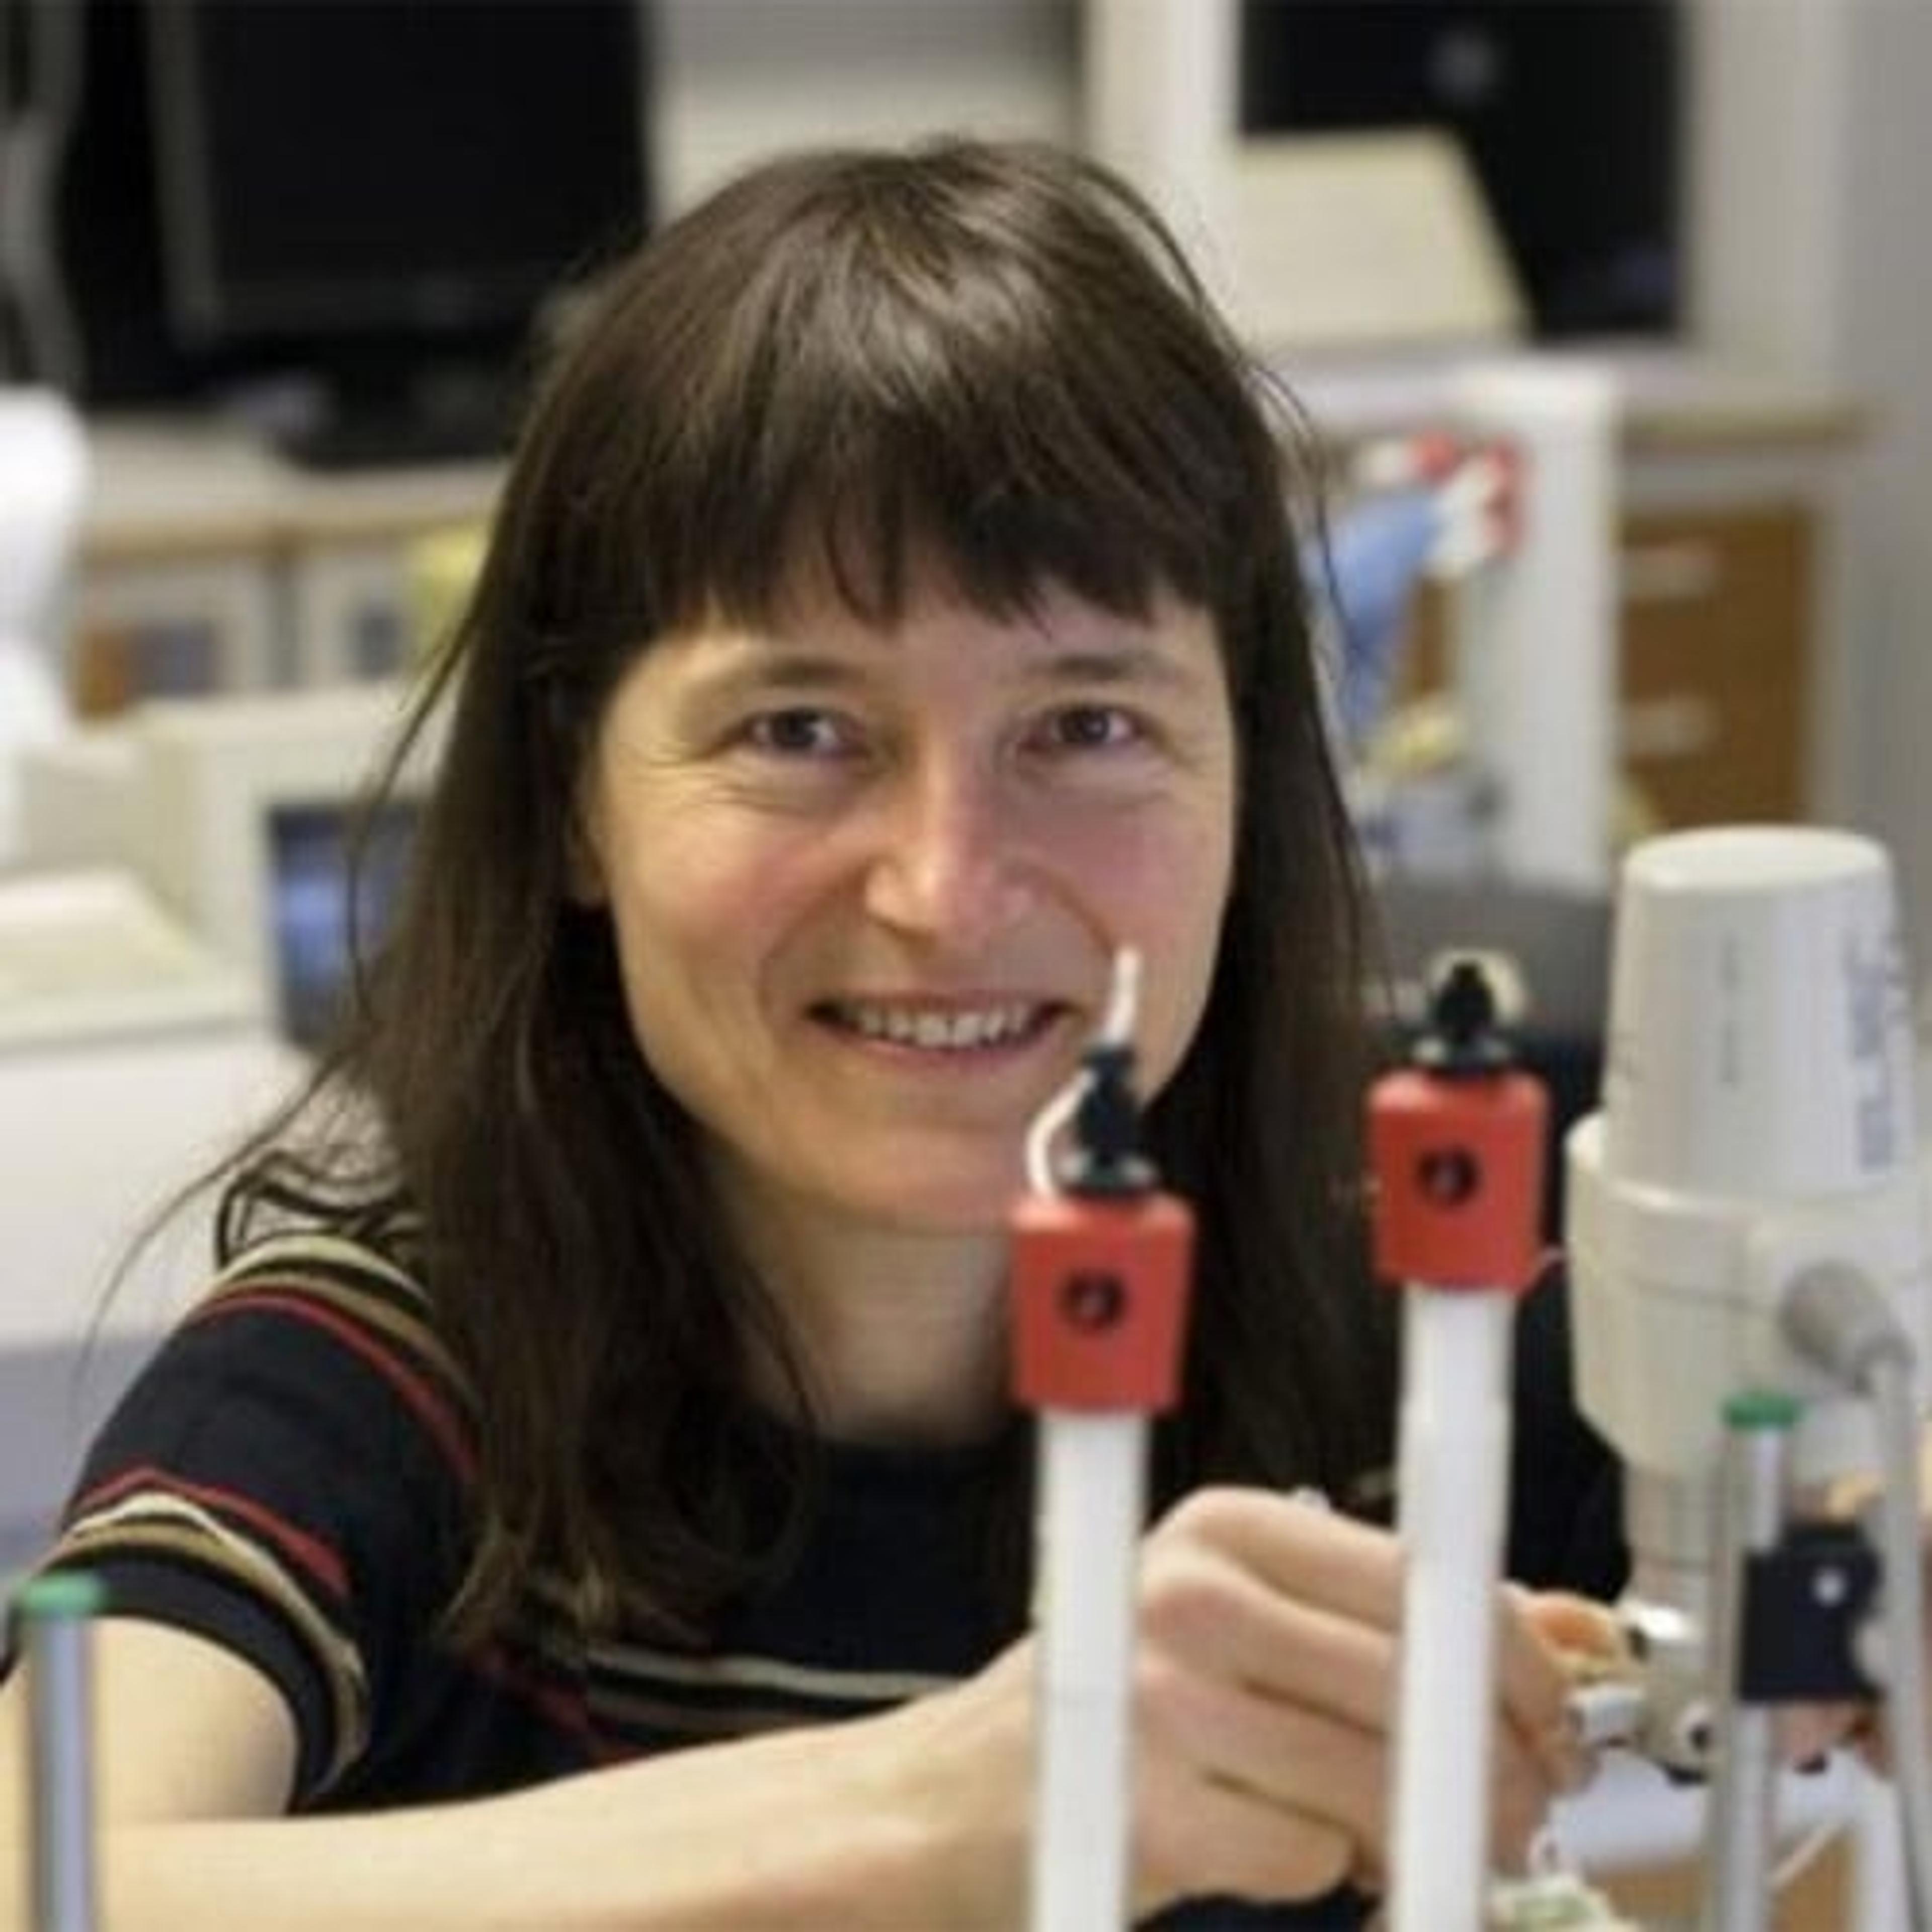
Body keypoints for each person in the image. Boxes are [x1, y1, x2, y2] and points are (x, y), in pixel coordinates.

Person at [0, 138, 1627, 1928]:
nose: (946, 891)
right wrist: (951, 1807)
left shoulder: (1436, 1356)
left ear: (1249, 782)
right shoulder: (381, 1395)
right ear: (575, 801)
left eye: (1086, 727)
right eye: (797, 730)